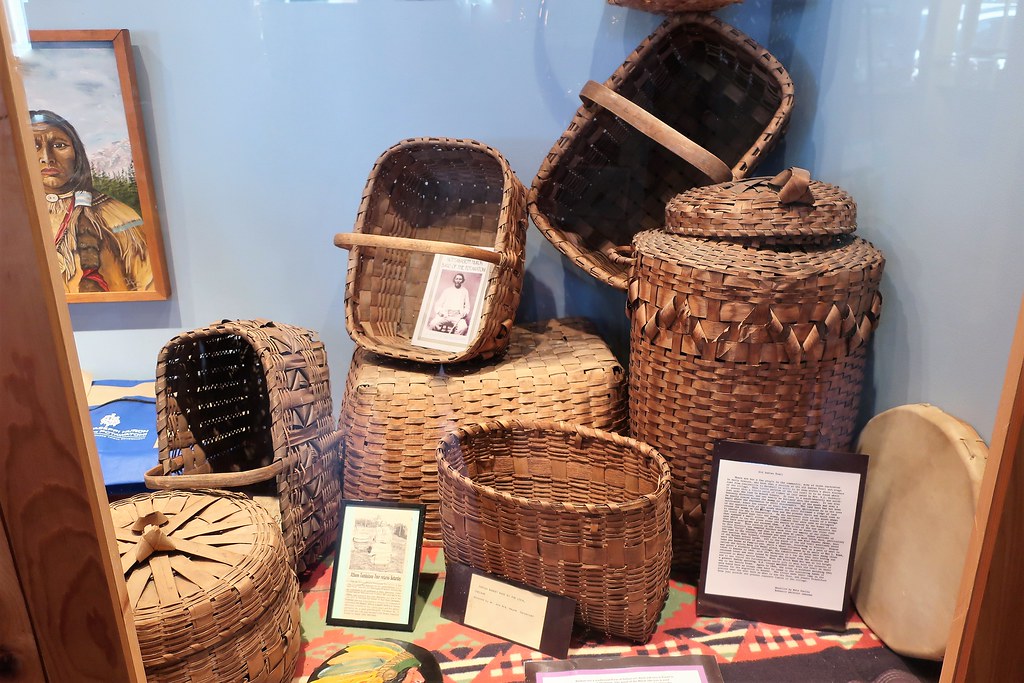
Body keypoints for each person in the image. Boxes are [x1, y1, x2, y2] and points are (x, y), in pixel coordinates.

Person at [30, 109, 154, 293]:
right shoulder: (11, 220)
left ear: (77, 153)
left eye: (59, 145)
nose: (47, 159)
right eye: (33, 146)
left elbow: (150, 285)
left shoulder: (118, 216)